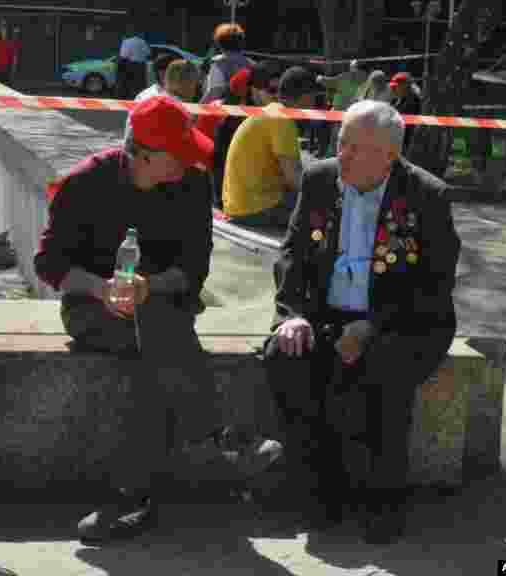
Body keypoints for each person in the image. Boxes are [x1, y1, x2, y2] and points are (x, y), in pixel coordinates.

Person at [35, 95, 281, 545]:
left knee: (153, 363)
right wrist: (101, 288)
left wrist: (149, 286)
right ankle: (222, 435)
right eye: (179, 155)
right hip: (92, 308)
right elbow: (49, 265)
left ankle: (131, 499)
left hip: (163, 307)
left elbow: (193, 271)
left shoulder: (190, 186)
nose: (188, 164)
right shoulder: (86, 183)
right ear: (143, 155)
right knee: (165, 343)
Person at [264, 100, 460, 545]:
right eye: (340, 143)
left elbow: (435, 283)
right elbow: (291, 254)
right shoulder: (319, 180)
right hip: (327, 314)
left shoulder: (427, 195)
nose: (342, 156)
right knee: (286, 357)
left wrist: (373, 326)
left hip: (406, 322)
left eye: (356, 148)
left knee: (382, 370)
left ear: (390, 155)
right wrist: (292, 316)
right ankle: (319, 491)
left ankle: (384, 499)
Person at [221, 66, 319, 228]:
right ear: (306, 97)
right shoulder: (282, 120)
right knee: (320, 211)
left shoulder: (272, 112)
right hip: (254, 209)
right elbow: (293, 177)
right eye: (314, 97)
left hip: (238, 204)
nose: (315, 104)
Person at [202, 62, 279, 209]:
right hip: (228, 189)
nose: (277, 96)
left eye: (279, 90)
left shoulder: (259, 95)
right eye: (272, 91)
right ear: (254, 89)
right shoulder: (235, 112)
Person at [201, 23, 255, 104]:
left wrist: (197, 111)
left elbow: (214, 91)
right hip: (248, 112)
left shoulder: (218, 62)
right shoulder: (252, 64)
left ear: (219, 43)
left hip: (223, 111)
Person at [389, 72, 422, 154]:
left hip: (406, 141)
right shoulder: (396, 100)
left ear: (405, 86)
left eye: (396, 87)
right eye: (393, 87)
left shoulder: (414, 101)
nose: (393, 90)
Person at [116, 25, 150, 100]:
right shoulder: (143, 42)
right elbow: (148, 53)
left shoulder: (127, 42)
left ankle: (130, 100)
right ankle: (140, 99)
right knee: (140, 86)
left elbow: (123, 55)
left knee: (129, 85)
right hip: (141, 66)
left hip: (130, 65)